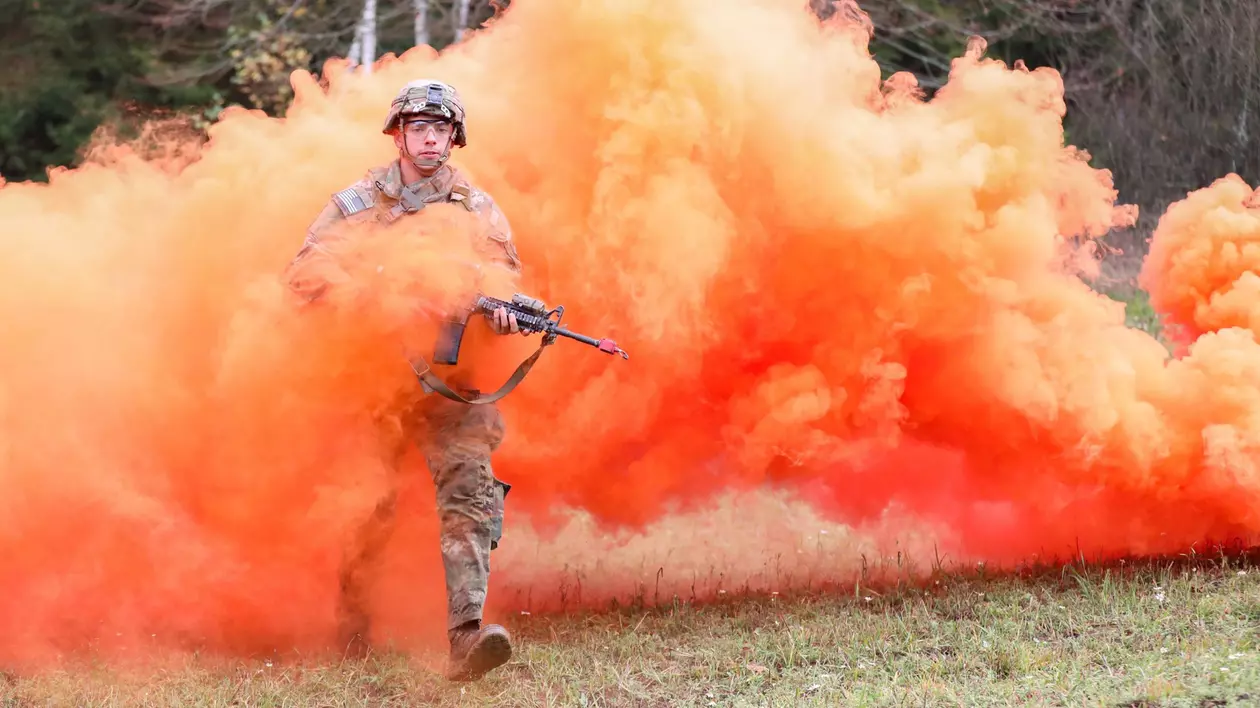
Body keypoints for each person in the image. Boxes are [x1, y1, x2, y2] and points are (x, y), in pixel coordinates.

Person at [285, 79, 522, 682]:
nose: (429, 139)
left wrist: (499, 309)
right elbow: (304, 274)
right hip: (378, 378)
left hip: (453, 382)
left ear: (454, 138)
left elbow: (504, 276)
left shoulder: (476, 209)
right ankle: (352, 624)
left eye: (440, 129)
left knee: (470, 490)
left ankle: (467, 635)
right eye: (418, 127)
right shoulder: (359, 203)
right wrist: (379, 287)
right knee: (370, 504)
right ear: (398, 134)